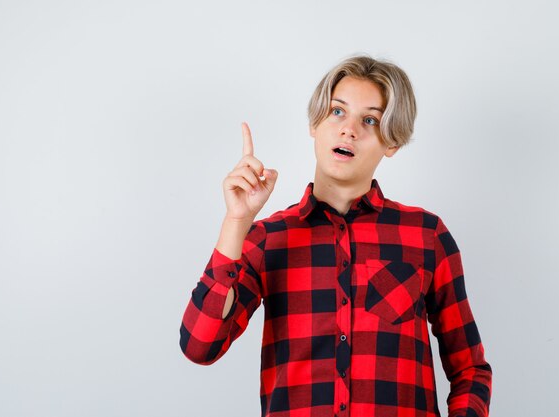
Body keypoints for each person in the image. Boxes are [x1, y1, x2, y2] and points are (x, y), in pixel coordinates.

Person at [180, 55, 492, 417]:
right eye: (337, 112)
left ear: (391, 143)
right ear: (316, 124)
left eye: (370, 120)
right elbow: (199, 346)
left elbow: (470, 370)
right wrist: (237, 222)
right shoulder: (268, 240)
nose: (349, 130)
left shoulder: (426, 237)